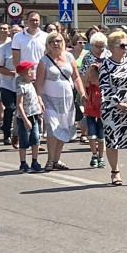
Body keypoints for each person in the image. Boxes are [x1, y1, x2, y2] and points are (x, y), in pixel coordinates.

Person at [84, 30, 127, 186]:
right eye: (122, 45)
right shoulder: (105, 65)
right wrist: (118, 103)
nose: (125, 48)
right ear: (112, 47)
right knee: (113, 141)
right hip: (113, 110)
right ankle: (115, 172)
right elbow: (104, 88)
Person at [36, 31, 85, 171]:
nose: (56, 44)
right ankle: (50, 160)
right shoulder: (44, 60)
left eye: (58, 41)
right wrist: (39, 98)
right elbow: (38, 83)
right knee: (52, 128)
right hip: (50, 99)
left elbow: (76, 77)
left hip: (67, 99)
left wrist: (82, 93)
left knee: (63, 128)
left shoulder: (69, 57)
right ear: (48, 44)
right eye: (52, 42)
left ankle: (57, 159)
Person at [80, 32, 109, 168]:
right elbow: (84, 79)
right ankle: (94, 154)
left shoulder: (108, 55)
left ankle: (102, 156)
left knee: (102, 128)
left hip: (106, 95)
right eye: (98, 46)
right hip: (91, 94)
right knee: (91, 126)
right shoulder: (88, 57)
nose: (101, 49)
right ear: (92, 45)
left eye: (103, 46)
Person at [14, 61, 44, 173]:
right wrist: (25, 119)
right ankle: (23, 162)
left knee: (36, 139)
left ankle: (35, 161)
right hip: (25, 118)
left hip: (34, 116)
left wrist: (40, 105)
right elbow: (20, 104)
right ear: (26, 73)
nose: (34, 71)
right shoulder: (21, 86)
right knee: (24, 141)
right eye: (32, 70)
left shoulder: (31, 84)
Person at [0, 27, 18, 147]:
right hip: (7, 84)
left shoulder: (24, 47)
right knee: (10, 108)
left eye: (18, 32)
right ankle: (6, 135)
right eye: (13, 32)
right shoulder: (3, 48)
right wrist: (12, 73)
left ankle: (19, 135)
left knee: (23, 110)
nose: (16, 34)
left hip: (22, 83)